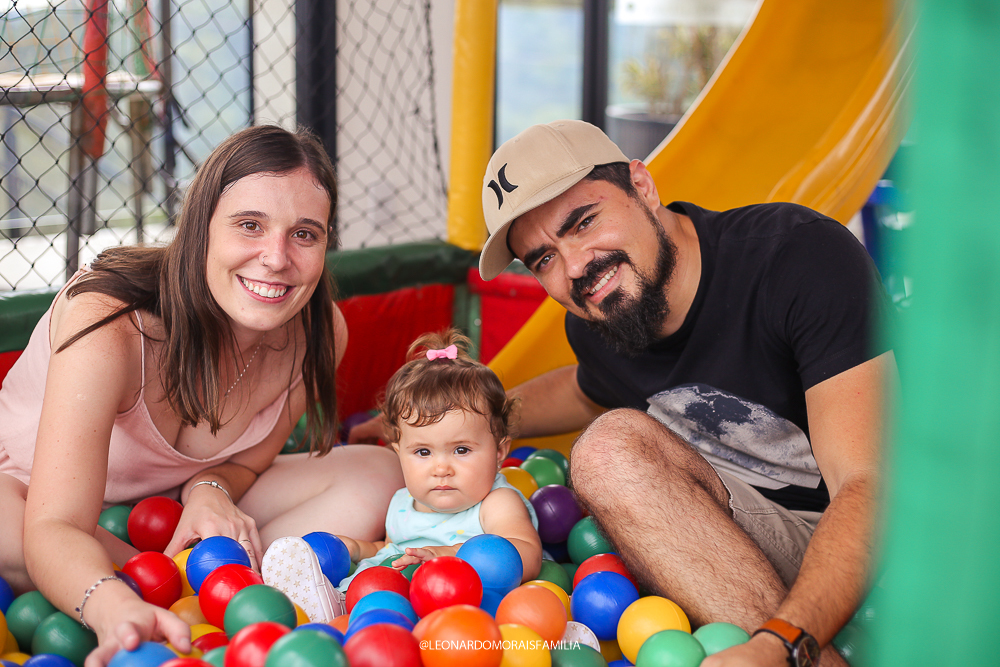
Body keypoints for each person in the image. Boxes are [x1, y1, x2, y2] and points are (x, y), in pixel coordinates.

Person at [474, 119, 897, 667]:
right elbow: (583, 389)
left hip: (884, 537)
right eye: (544, 260)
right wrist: (461, 421)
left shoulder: (796, 257)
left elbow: (873, 485)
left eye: (582, 222)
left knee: (604, 453)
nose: (576, 266)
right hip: (742, 547)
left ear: (642, 186)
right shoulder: (603, 320)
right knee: (606, 451)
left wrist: (781, 642)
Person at [0, 125, 403, 667]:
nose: (277, 258)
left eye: (304, 234)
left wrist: (209, 490)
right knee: (11, 531)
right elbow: (54, 526)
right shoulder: (110, 323)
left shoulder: (319, 331)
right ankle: (204, 586)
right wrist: (112, 604)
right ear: (200, 228)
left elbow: (250, 462)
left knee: (378, 473)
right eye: (250, 225)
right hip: (36, 499)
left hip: (170, 516)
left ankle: (206, 584)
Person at [264, 329, 541, 622]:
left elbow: (527, 555)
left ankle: (328, 609)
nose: (441, 468)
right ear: (398, 451)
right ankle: (321, 604)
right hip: (388, 601)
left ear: (499, 453)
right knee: (368, 587)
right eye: (423, 452)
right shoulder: (402, 502)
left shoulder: (497, 502)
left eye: (461, 450)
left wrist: (449, 555)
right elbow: (391, 548)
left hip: (461, 609)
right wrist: (358, 548)